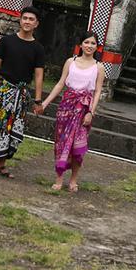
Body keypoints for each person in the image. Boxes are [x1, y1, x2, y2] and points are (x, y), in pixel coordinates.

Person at [35, 31, 105, 192]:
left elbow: (97, 92)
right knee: (62, 143)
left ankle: (73, 180)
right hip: (66, 108)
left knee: (77, 147)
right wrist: (44, 103)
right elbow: (60, 84)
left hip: (84, 110)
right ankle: (59, 178)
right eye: (86, 42)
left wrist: (91, 112)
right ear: (80, 45)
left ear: (97, 47)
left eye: (93, 43)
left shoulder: (99, 67)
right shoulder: (70, 62)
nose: (89, 46)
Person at [0, 6, 45, 179]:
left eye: (31, 19)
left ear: (36, 24)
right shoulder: (7, 41)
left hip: (22, 94)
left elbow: (39, 75)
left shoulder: (38, 48)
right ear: (20, 19)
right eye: (25, 18)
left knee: (13, 130)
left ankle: (2, 164)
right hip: (4, 90)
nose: (27, 22)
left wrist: (38, 100)